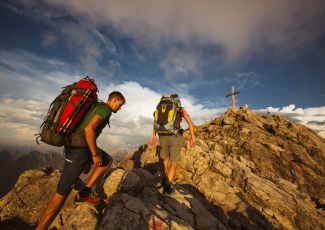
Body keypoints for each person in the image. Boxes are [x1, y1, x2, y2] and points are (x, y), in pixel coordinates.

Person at [36, 91, 125, 230]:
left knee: (107, 161)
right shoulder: (105, 109)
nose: (120, 108)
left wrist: (89, 157)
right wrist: (94, 155)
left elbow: (88, 130)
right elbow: (89, 130)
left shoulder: (98, 106)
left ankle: (84, 193)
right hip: (78, 150)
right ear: (113, 100)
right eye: (119, 105)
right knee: (60, 196)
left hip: (78, 147)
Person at [151, 94, 195, 196]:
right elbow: (190, 123)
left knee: (164, 161)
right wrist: (193, 137)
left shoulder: (160, 107)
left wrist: (154, 135)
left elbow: (155, 122)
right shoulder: (180, 109)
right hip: (175, 137)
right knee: (174, 163)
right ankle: (167, 189)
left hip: (162, 136)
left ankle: (163, 178)